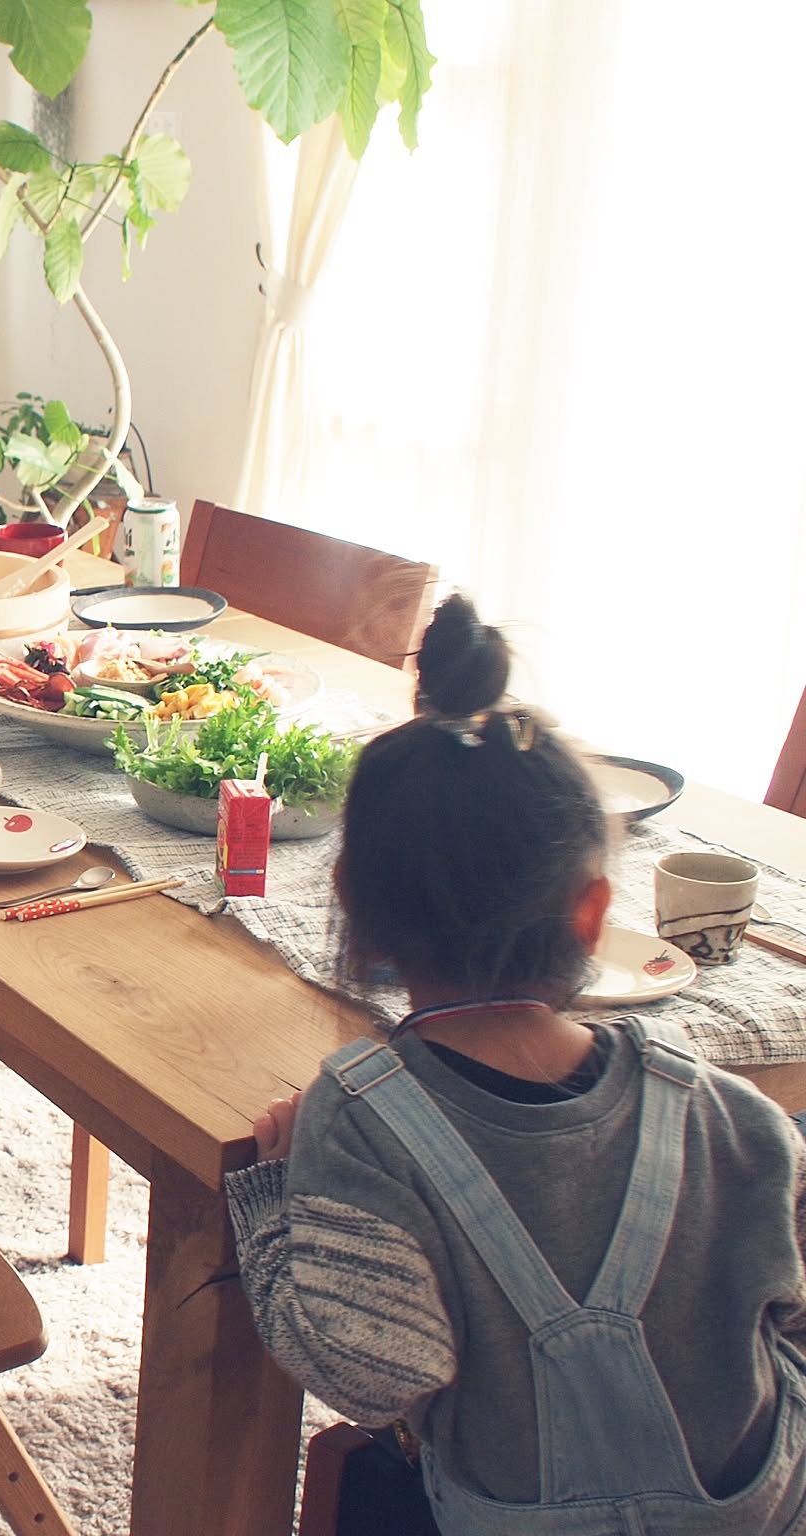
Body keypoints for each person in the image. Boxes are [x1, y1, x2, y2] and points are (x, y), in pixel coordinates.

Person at [224, 594, 806, 1535]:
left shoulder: (362, 1119)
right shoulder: (733, 1113)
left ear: (353, 911)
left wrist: (272, 1199)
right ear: (590, 917)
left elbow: (367, 1374)